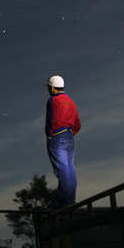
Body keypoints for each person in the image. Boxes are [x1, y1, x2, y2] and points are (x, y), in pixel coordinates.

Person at [45, 75, 81, 207]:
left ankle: (65, 202)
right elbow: (77, 124)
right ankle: (69, 199)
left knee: (62, 168)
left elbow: (50, 120)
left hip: (57, 136)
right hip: (69, 137)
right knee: (70, 168)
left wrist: (50, 135)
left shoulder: (52, 100)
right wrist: (70, 134)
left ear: (53, 88)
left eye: (49, 88)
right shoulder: (71, 102)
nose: (48, 90)